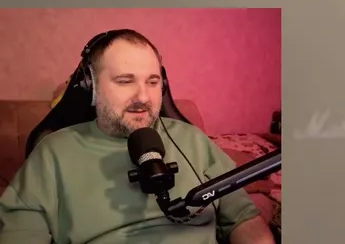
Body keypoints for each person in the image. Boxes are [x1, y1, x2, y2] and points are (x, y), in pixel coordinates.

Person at [0, 30, 274, 244]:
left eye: (152, 82)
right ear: (91, 88)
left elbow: (244, 219)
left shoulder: (191, 138)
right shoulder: (53, 152)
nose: (143, 97)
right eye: (125, 81)